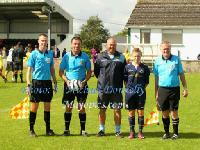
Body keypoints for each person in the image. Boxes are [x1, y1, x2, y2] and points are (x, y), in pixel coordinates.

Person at [153, 41, 188, 140]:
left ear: (170, 49)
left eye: (167, 49)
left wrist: (185, 88)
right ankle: (167, 133)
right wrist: (156, 93)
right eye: (164, 49)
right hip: (162, 89)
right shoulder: (157, 61)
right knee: (164, 112)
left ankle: (175, 133)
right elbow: (156, 79)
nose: (165, 50)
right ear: (161, 50)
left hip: (174, 89)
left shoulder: (176, 60)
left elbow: (181, 74)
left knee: (174, 112)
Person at [59, 36, 92, 136]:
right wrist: (67, 81)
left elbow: (89, 72)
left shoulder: (85, 57)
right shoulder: (66, 57)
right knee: (68, 107)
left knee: (81, 107)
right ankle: (66, 130)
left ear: (81, 45)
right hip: (69, 86)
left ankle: (83, 130)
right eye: (74, 44)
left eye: (78, 44)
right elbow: (60, 72)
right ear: (71, 44)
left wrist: (84, 81)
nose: (76, 46)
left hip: (82, 86)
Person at [94, 37, 126, 137]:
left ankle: (117, 131)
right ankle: (101, 130)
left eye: (113, 44)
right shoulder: (100, 56)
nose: (111, 46)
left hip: (116, 89)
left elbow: (124, 73)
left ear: (116, 45)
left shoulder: (121, 57)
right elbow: (96, 72)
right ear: (106, 45)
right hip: (103, 89)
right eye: (110, 44)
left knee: (117, 110)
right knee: (102, 109)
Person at [26, 33, 57, 137]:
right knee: (34, 107)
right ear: (38, 41)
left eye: (45, 41)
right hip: (36, 83)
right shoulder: (33, 54)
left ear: (47, 42)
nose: (43, 42)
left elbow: (52, 69)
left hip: (47, 83)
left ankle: (48, 130)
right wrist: (28, 84)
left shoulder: (50, 54)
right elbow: (29, 71)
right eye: (42, 40)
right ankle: (31, 129)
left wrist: (55, 82)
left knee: (47, 107)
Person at [124, 48, 150, 139]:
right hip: (130, 94)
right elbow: (125, 81)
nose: (136, 58)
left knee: (140, 112)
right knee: (131, 113)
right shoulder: (127, 67)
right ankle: (131, 132)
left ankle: (140, 132)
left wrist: (139, 89)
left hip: (140, 94)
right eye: (135, 56)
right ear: (132, 56)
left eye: (138, 56)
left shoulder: (145, 68)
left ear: (141, 56)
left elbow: (146, 82)